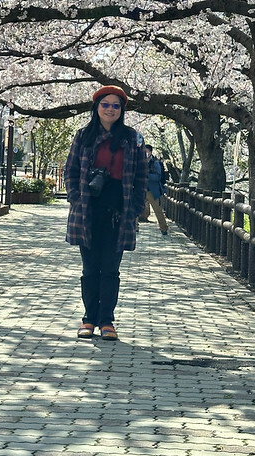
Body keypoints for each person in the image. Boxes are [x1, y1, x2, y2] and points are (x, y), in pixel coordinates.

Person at [64, 85, 148, 341]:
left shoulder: (132, 138)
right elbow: (71, 170)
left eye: (115, 105)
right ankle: (88, 318)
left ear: (122, 110)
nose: (110, 109)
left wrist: (135, 208)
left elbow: (141, 176)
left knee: (111, 269)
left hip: (119, 212)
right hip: (88, 210)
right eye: (105, 104)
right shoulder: (83, 136)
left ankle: (107, 321)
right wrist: (75, 199)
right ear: (96, 107)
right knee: (90, 269)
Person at [141, 145, 168, 235]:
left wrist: (146, 175)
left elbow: (158, 177)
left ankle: (164, 228)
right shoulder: (139, 162)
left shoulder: (155, 163)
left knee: (158, 211)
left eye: (147, 151)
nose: (145, 153)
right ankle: (134, 227)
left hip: (152, 190)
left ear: (150, 152)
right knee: (135, 209)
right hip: (141, 189)